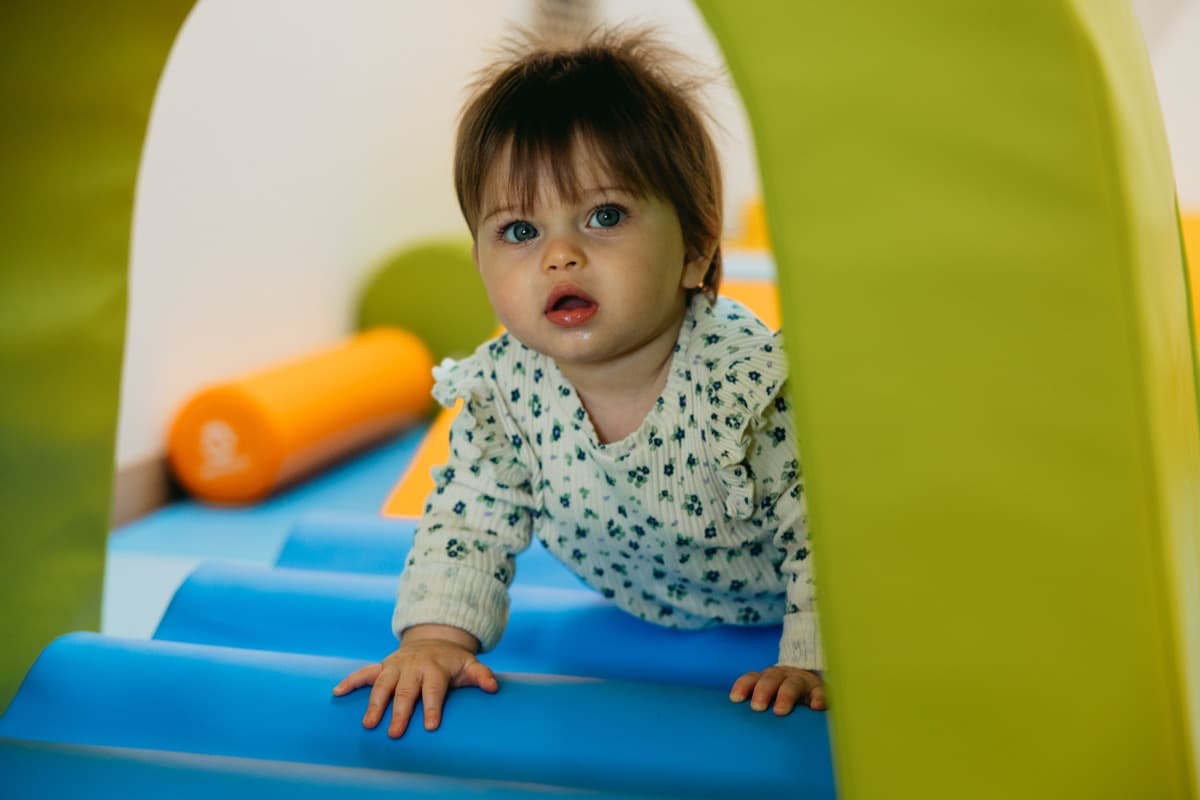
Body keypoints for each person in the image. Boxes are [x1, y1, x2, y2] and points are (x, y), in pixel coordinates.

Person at [333, 27, 824, 738]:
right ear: (479, 262)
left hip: (775, 594)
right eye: (519, 231)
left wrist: (813, 658)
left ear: (694, 248)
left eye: (604, 216)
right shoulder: (506, 391)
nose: (560, 256)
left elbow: (821, 530)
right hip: (645, 601)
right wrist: (434, 640)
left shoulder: (746, 387)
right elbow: (468, 518)